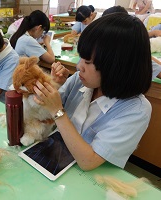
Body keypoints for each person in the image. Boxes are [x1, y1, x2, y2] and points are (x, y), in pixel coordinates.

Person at [33, 13, 152, 171]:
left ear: (117, 67)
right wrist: (54, 85)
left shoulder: (136, 109)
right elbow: (43, 111)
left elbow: (88, 161)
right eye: (81, 58)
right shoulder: (80, 79)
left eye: (88, 62)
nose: (79, 66)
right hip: (56, 160)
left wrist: (58, 111)